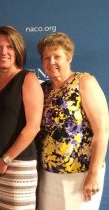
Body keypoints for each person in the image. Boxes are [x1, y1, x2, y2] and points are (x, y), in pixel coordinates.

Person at [37, 32, 109, 210]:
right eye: (46, 58)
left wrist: (93, 174)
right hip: (48, 175)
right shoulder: (42, 89)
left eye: (57, 56)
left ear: (68, 57)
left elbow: (102, 130)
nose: (51, 62)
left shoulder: (84, 81)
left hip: (81, 175)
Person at [0, 26, 43, 210]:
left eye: (9, 46)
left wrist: (6, 159)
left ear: (18, 50)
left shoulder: (28, 79)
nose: (3, 51)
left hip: (18, 166)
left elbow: (33, 127)